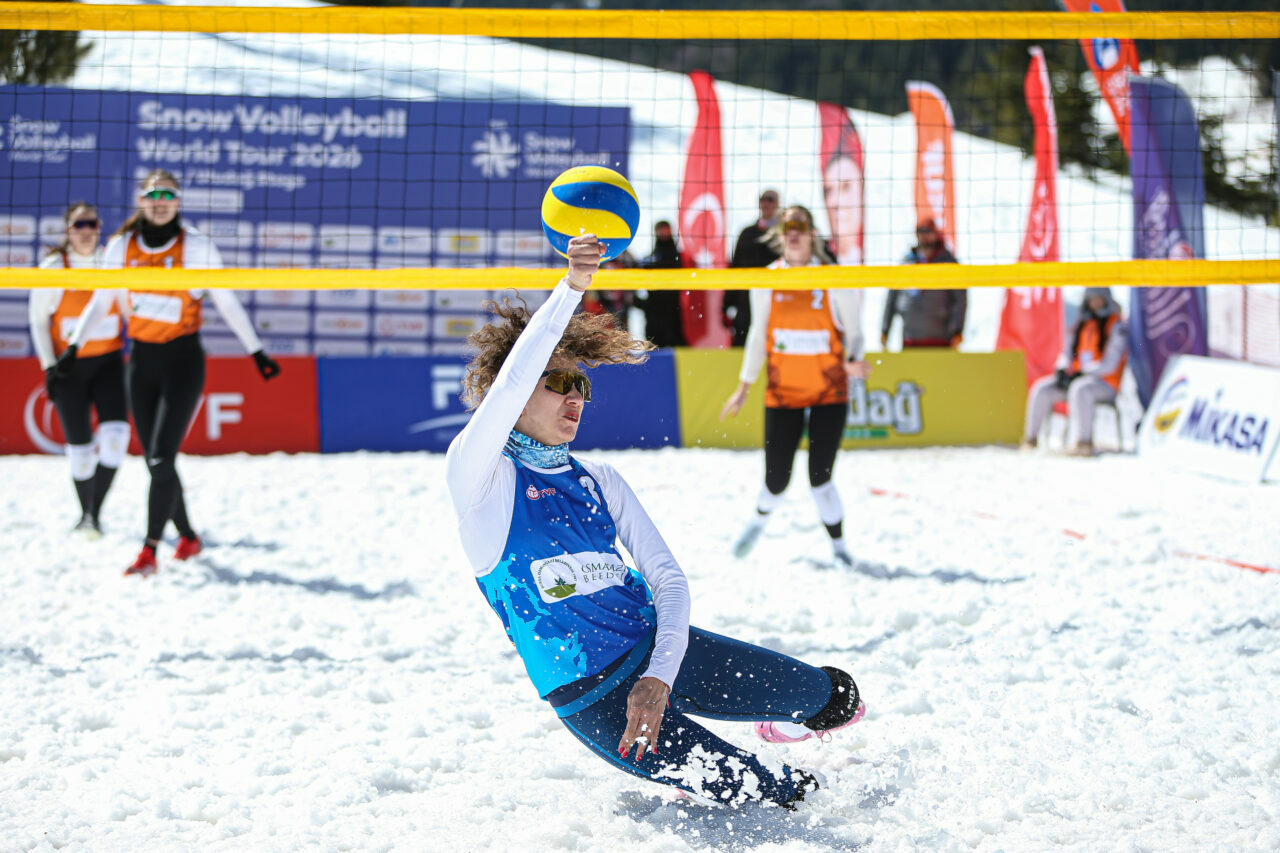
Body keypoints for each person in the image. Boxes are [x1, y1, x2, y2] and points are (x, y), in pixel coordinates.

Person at [445, 233, 865, 809]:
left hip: (659, 654)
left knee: (832, 698)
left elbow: (668, 581)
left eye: (583, 385)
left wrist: (659, 677)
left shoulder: (600, 480)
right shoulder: (480, 482)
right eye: (560, 382)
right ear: (512, 396)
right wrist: (573, 287)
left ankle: (786, 718)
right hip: (591, 699)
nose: (577, 398)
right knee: (770, 793)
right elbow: (516, 376)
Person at [60, 169, 281, 577]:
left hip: (183, 362)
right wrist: (73, 347)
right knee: (156, 461)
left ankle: (149, 551)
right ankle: (189, 537)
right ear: (141, 201)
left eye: (168, 194)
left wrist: (256, 351)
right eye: (152, 194)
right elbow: (101, 300)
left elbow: (227, 303)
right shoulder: (122, 246)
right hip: (141, 362)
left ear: (177, 202)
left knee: (161, 457)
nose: (160, 201)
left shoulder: (195, 247)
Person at [719, 205, 867, 569]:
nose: (794, 232)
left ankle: (840, 549)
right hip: (783, 394)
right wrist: (743, 386)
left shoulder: (832, 278)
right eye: (788, 226)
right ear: (780, 233)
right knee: (776, 481)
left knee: (820, 479)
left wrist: (854, 360)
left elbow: (856, 333)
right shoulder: (768, 279)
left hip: (828, 392)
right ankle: (758, 521)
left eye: (801, 225)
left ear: (812, 232)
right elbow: (757, 335)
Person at [29, 202, 129, 538]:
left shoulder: (112, 262)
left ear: (99, 227)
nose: (85, 231)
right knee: (81, 453)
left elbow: (130, 311)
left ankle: (94, 514)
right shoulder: (54, 267)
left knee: (116, 441)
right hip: (69, 369)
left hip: (109, 362)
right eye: (78, 224)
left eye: (91, 224)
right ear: (68, 229)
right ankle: (85, 514)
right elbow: (38, 321)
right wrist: (49, 368)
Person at [1022, 287, 1128, 456]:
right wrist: (1063, 369)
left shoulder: (1116, 325)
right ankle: (1030, 440)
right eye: (1091, 299)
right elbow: (1066, 353)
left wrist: (1085, 372)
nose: (1095, 303)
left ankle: (1083, 444)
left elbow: (1111, 363)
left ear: (1106, 299)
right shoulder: (1081, 324)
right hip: (1077, 379)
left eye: (1098, 298)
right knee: (1041, 389)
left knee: (1080, 390)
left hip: (1104, 383)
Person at [880, 217, 966, 349]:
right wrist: (885, 330)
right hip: (911, 339)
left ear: (936, 233)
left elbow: (960, 299)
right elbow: (892, 298)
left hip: (941, 340)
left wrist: (957, 330)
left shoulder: (948, 262)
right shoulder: (907, 262)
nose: (924, 235)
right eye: (921, 231)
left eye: (928, 231)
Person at [725, 190, 781, 347]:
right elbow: (735, 268)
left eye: (770, 200)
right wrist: (728, 304)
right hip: (746, 301)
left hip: (774, 300)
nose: (766, 203)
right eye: (763, 200)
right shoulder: (747, 234)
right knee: (744, 344)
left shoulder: (785, 235)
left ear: (777, 204)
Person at [633, 220, 685, 348]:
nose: (663, 233)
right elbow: (633, 288)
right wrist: (642, 304)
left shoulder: (681, 260)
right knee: (655, 351)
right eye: (660, 230)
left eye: (665, 229)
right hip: (655, 318)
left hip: (675, 316)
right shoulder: (649, 261)